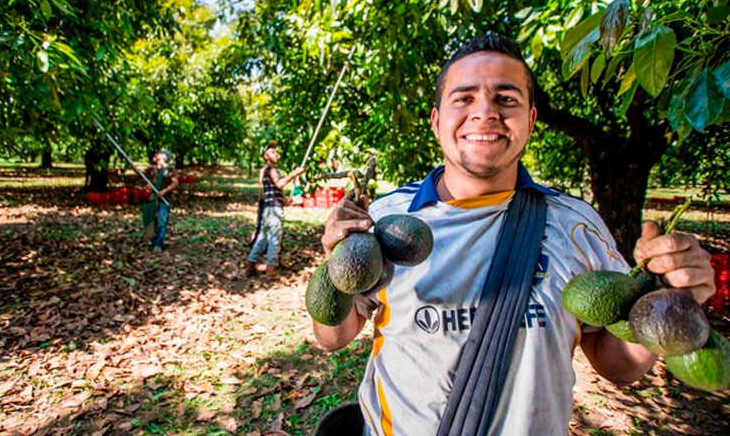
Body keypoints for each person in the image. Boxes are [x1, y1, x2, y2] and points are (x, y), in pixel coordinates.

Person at [313, 35, 715, 435]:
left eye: (506, 99)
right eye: (464, 98)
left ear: (531, 119)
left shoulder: (577, 226)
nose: (485, 112)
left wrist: (666, 302)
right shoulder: (384, 219)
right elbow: (332, 337)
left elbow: (620, 367)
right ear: (436, 120)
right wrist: (336, 267)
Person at [245, 140, 305, 277]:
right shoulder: (272, 170)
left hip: (268, 209)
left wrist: (286, 201)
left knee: (261, 240)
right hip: (273, 211)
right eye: (272, 152)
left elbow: (274, 192)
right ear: (266, 156)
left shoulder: (266, 171)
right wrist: (294, 174)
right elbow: (279, 184)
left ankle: (250, 267)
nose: (276, 154)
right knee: (274, 240)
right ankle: (270, 271)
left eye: (276, 151)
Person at [143, 149, 178, 252]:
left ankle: (157, 244)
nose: (157, 155)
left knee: (162, 221)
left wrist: (164, 191)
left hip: (164, 199)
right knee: (152, 220)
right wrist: (148, 187)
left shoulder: (169, 170)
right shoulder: (152, 169)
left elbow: (175, 183)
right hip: (152, 199)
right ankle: (154, 241)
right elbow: (146, 181)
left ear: (165, 157)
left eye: (160, 154)